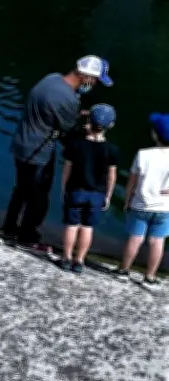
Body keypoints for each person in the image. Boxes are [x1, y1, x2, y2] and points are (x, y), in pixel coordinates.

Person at [2, 55, 114, 252]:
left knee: (20, 190)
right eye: (95, 80)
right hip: (38, 152)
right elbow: (67, 132)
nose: (94, 84)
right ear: (86, 77)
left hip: (21, 142)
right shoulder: (68, 99)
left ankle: (9, 228)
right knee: (38, 197)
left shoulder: (51, 79)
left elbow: (50, 111)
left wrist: (76, 114)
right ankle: (27, 237)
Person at [59, 104, 118, 273]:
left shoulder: (76, 144)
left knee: (71, 225)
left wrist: (64, 188)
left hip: (76, 191)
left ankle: (66, 258)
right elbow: (112, 176)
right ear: (111, 125)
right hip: (97, 194)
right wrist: (108, 196)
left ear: (88, 121)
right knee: (87, 227)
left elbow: (67, 169)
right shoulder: (112, 150)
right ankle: (79, 261)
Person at [113, 113, 169, 288]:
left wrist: (127, 200)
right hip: (164, 208)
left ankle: (123, 270)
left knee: (135, 238)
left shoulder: (143, 155)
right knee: (157, 241)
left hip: (140, 204)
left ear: (154, 135)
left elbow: (131, 182)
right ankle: (150, 277)